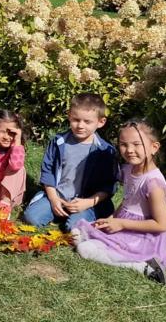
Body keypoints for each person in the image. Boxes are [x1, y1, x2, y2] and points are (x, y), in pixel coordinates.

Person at [72, 119, 166, 285]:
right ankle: (110, 245)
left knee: (84, 249)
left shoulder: (153, 183)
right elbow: (128, 200)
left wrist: (121, 224)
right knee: (79, 231)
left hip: (142, 236)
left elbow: (161, 225)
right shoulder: (129, 169)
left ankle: (144, 267)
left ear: (154, 147)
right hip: (124, 225)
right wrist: (112, 218)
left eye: (137, 144)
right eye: (123, 144)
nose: (129, 150)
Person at [22, 93, 118, 231]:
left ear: (101, 122)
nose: (80, 125)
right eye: (76, 120)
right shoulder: (59, 142)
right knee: (31, 218)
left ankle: (76, 216)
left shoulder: (105, 151)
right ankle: (56, 210)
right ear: (69, 116)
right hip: (58, 196)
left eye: (87, 122)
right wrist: (53, 199)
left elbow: (108, 186)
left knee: (74, 227)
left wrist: (87, 203)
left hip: (86, 202)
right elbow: (48, 172)